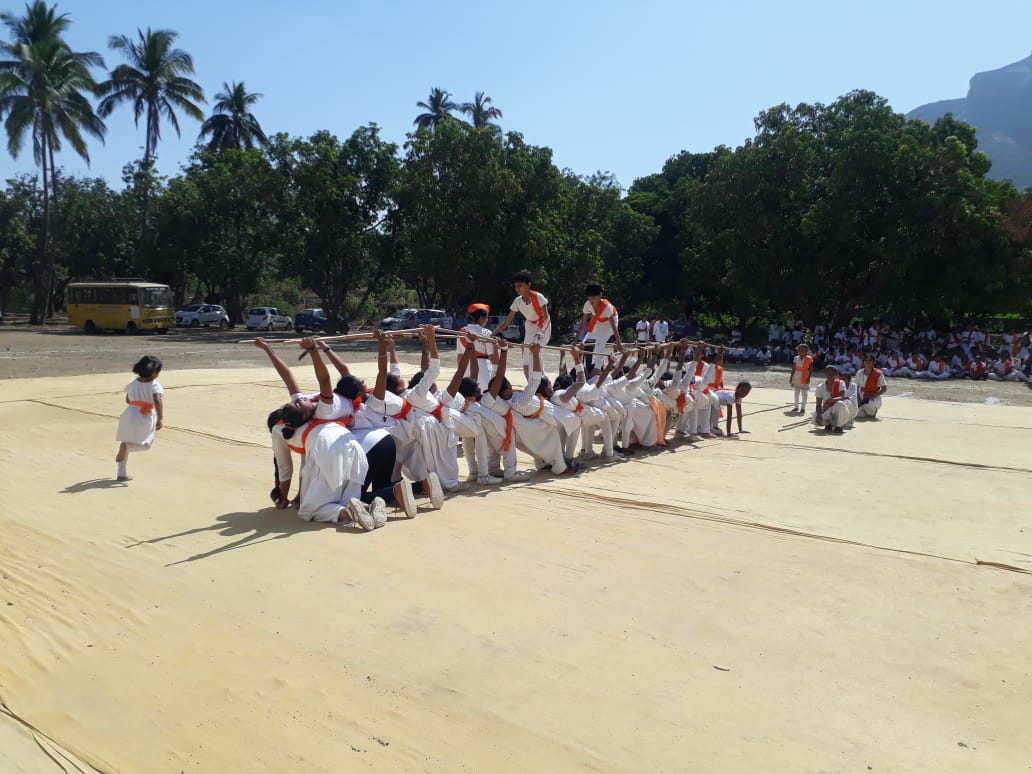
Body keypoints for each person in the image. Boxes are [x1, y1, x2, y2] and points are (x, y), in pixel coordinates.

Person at [115, 355, 164, 482]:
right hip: (145, 415)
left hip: (129, 414)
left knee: (126, 440)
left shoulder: (132, 383)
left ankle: (121, 474)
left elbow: (128, 400)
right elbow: (157, 400)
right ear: (154, 373)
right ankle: (128, 447)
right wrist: (160, 418)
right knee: (146, 444)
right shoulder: (155, 385)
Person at [492, 270, 551, 375]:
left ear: (528, 285)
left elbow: (547, 318)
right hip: (530, 325)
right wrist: (492, 334)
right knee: (525, 355)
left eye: (520, 285)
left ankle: (542, 380)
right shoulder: (517, 301)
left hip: (544, 325)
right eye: (516, 286)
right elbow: (506, 322)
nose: (517, 288)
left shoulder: (538, 297)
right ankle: (530, 382)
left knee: (536, 350)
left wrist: (541, 331)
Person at [575, 282, 623, 370]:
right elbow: (583, 324)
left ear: (600, 295)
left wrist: (619, 344)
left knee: (600, 341)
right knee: (588, 337)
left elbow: (614, 327)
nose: (591, 300)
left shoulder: (607, 307)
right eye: (589, 298)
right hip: (599, 321)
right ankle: (602, 365)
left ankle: (597, 369)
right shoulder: (587, 304)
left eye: (593, 298)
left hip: (611, 322)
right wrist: (575, 341)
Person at [814, 364, 849, 434]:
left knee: (840, 403)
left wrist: (830, 400)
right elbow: (818, 404)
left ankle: (838, 426)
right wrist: (818, 415)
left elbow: (841, 397)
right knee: (815, 419)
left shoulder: (840, 383)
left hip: (838, 410)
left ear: (836, 375)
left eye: (832, 374)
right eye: (828, 374)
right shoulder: (820, 387)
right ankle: (828, 424)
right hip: (827, 409)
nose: (830, 376)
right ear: (825, 374)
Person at [856, 353, 887, 419]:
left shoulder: (878, 373)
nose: (868, 362)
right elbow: (856, 387)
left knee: (868, 405)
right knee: (856, 413)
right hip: (862, 395)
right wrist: (858, 399)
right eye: (866, 360)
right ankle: (862, 410)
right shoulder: (859, 372)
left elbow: (884, 389)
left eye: (870, 360)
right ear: (863, 362)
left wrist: (873, 396)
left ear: (873, 362)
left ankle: (873, 411)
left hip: (873, 396)